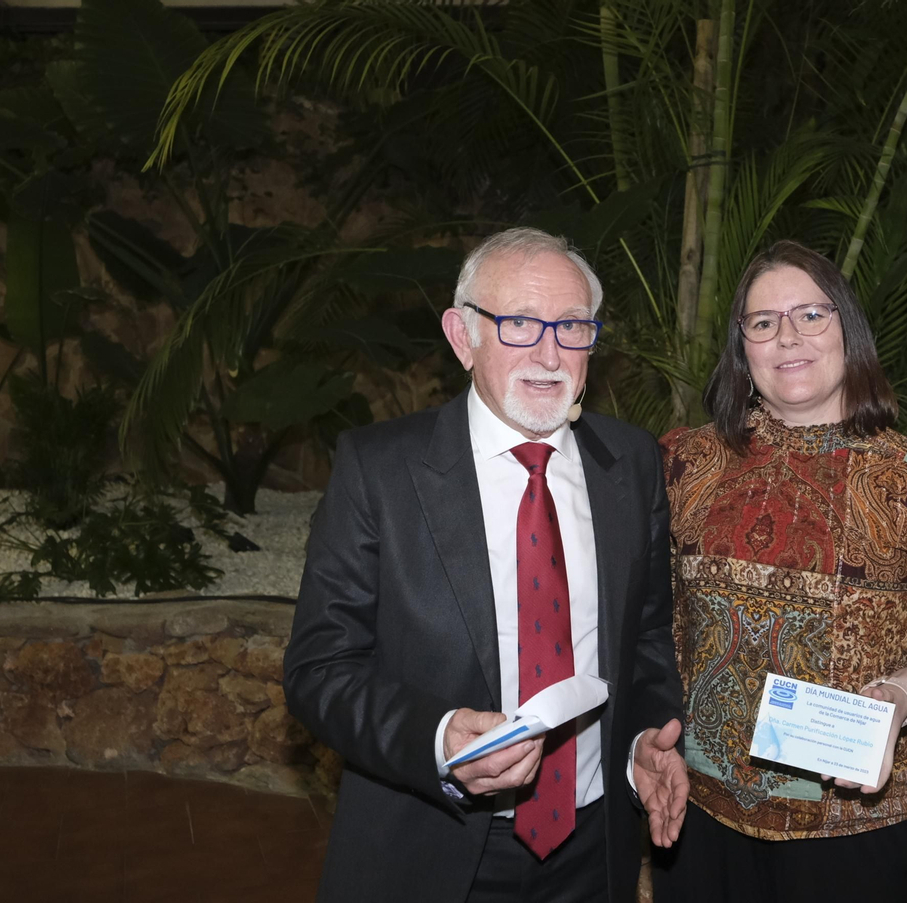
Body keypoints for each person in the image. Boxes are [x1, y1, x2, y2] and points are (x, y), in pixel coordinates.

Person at [284, 227, 688, 902]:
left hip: (594, 850)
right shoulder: (380, 471)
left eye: (572, 326)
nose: (550, 352)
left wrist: (644, 738)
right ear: (462, 336)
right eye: (521, 323)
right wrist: (440, 740)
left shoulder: (632, 463)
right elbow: (319, 668)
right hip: (430, 846)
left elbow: (645, 637)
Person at [653, 240, 907, 902]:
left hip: (860, 833)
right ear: (743, 347)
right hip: (701, 821)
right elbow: (640, 613)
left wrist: (901, 696)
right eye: (763, 322)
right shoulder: (681, 465)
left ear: (847, 328)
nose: (787, 336)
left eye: (810, 315)